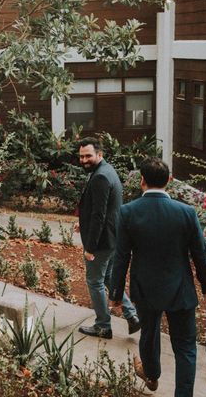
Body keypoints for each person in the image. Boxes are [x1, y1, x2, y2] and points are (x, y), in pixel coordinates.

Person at [109, 157, 206, 396]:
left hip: (145, 288)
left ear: (142, 181)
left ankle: (152, 374)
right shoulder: (186, 212)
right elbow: (201, 255)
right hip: (180, 289)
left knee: (149, 335)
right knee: (186, 347)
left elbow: (121, 256)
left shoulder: (128, 212)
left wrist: (116, 293)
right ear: (169, 181)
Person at [74, 137, 139, 339]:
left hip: (102, 241)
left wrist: (90, 247)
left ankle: (103, 326)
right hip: (113, 238)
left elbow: (99, 215)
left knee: (94, 281)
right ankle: (132, 316)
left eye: (88, 156)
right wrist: (82, 223)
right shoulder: (106, 170)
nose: (84, 160)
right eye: (81, 156)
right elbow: (104, 209)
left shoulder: (101, 177)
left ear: (99, 155)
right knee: (109, 277)